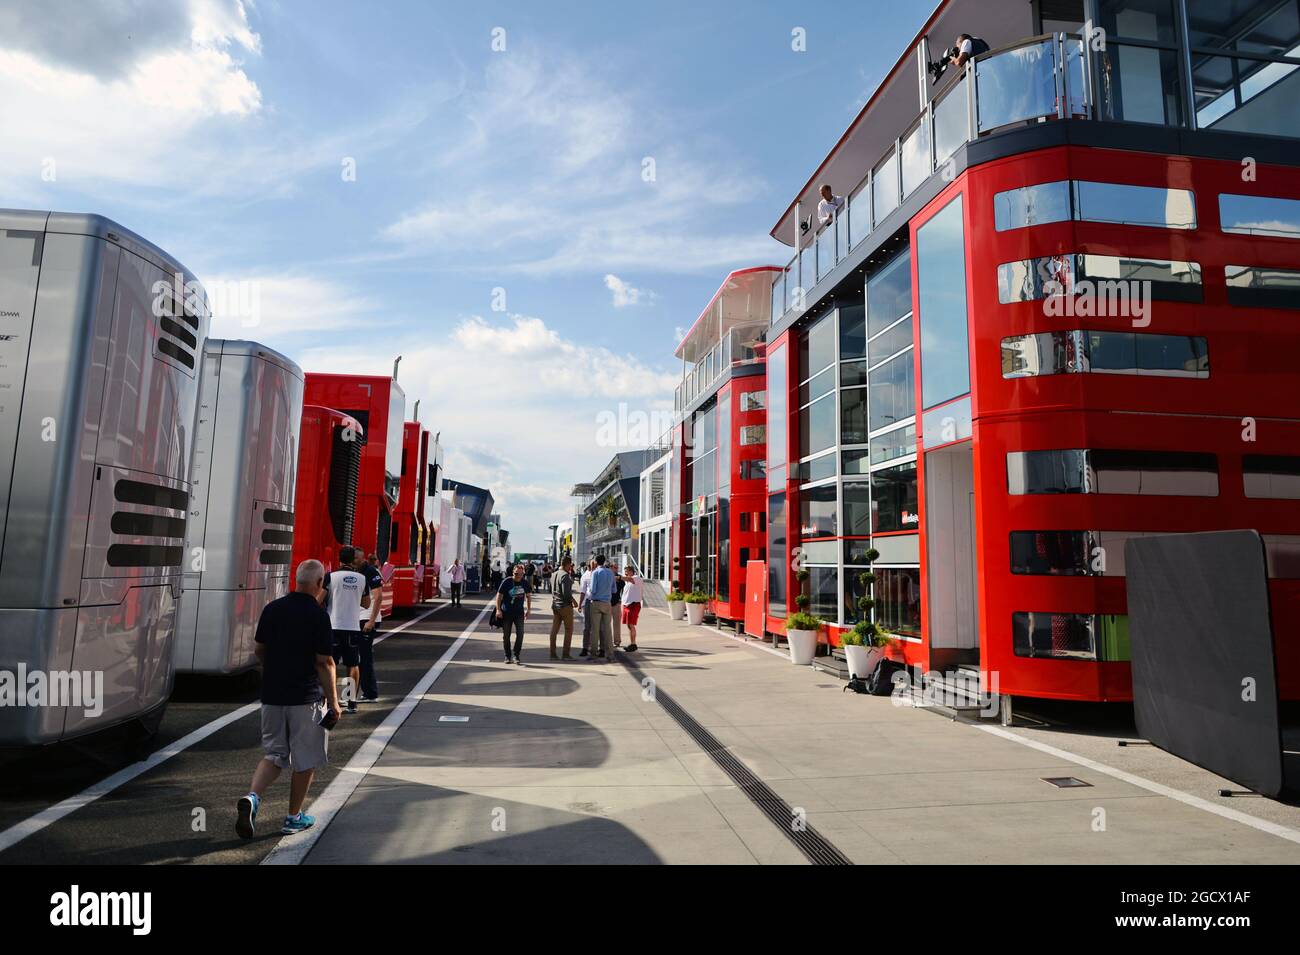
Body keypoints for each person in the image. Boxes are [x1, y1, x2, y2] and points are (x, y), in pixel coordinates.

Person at [236, 559, 339, 838]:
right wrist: (335, 701)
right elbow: (323, 662)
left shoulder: (273, 609)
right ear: (319, 584)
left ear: (296, 581)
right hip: (305, 698)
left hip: (272, 695)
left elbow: (260, 649)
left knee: (274, 754)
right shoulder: (319, 616)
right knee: (305, 760)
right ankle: (293, 817)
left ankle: (253, 797)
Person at [323, 545, 369, 714]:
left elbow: (319, 599)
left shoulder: (331, 577)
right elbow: (366, 603)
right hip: (352, 627)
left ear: (339, 558)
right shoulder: (361, 578)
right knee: (353, 664)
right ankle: (351, 701)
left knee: (330, 664)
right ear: (353, 559)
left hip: (333, 626)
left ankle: (332, 700)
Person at [356, 551, 384, 703]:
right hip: (356, 618)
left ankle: (370, 693)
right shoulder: (354, 571)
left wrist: (371, 621)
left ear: (363, 558)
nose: (355, 560)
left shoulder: (371, 571)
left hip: (366, 618)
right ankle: (355, 694)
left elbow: (378, 596)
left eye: (357, 558)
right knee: (356, 657)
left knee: (364, 657)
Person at [495, 563, 532, 664]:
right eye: (516, 574)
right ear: (513, 572)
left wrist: (529, 609)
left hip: (519, 613)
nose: (518, 576)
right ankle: (507, 656)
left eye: (520, 574)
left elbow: (528, 596)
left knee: (520, 634)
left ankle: (516, 655)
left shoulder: (525, 583)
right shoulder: (507, 581)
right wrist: (498, 610)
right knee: (506, 635)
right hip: (506, 612)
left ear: (523, 574)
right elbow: (499, 596)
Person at [586, 554, 616, 661]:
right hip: (607, 603)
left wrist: (589, 591)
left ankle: (593, 653)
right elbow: (614, 590)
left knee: (595, 629)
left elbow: (593, 589)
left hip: (596, 602)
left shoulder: (595, 572)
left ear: (596, 562)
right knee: (607, 629)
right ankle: (610, 654)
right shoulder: (610, 572)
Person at [549, 556, 577, 660]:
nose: (571, 567)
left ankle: (552, 653)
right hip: (565, 607)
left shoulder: (554, 574)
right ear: (568, 564)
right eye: (570, 565)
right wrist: (573, 601)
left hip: (555, 605)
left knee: (554, 630)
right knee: (569, 630)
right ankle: (566, 654)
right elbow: (566, 594)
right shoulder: (565, 576)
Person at [621, 567, 644, 653]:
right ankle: (632, 643)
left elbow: (629, 579)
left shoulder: (637, 578)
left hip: (633, 605)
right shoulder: (628, 582)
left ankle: (633, 644)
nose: (625, 574)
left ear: (631, 571)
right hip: (627, 605)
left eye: (627, 572)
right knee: (628, 625)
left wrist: (618, 577)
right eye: (625, 572)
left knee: (631, 625)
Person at [577, 558, 596, 656]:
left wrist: (580, 604)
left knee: (590, 627)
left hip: (591, 602)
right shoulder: (586, 575)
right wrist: (580, 604)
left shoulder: (594, 574)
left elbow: (583, 592)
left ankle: (589, 646)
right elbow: (583, 591)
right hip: (588, 603)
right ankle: (586, 647)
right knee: (589, 626)